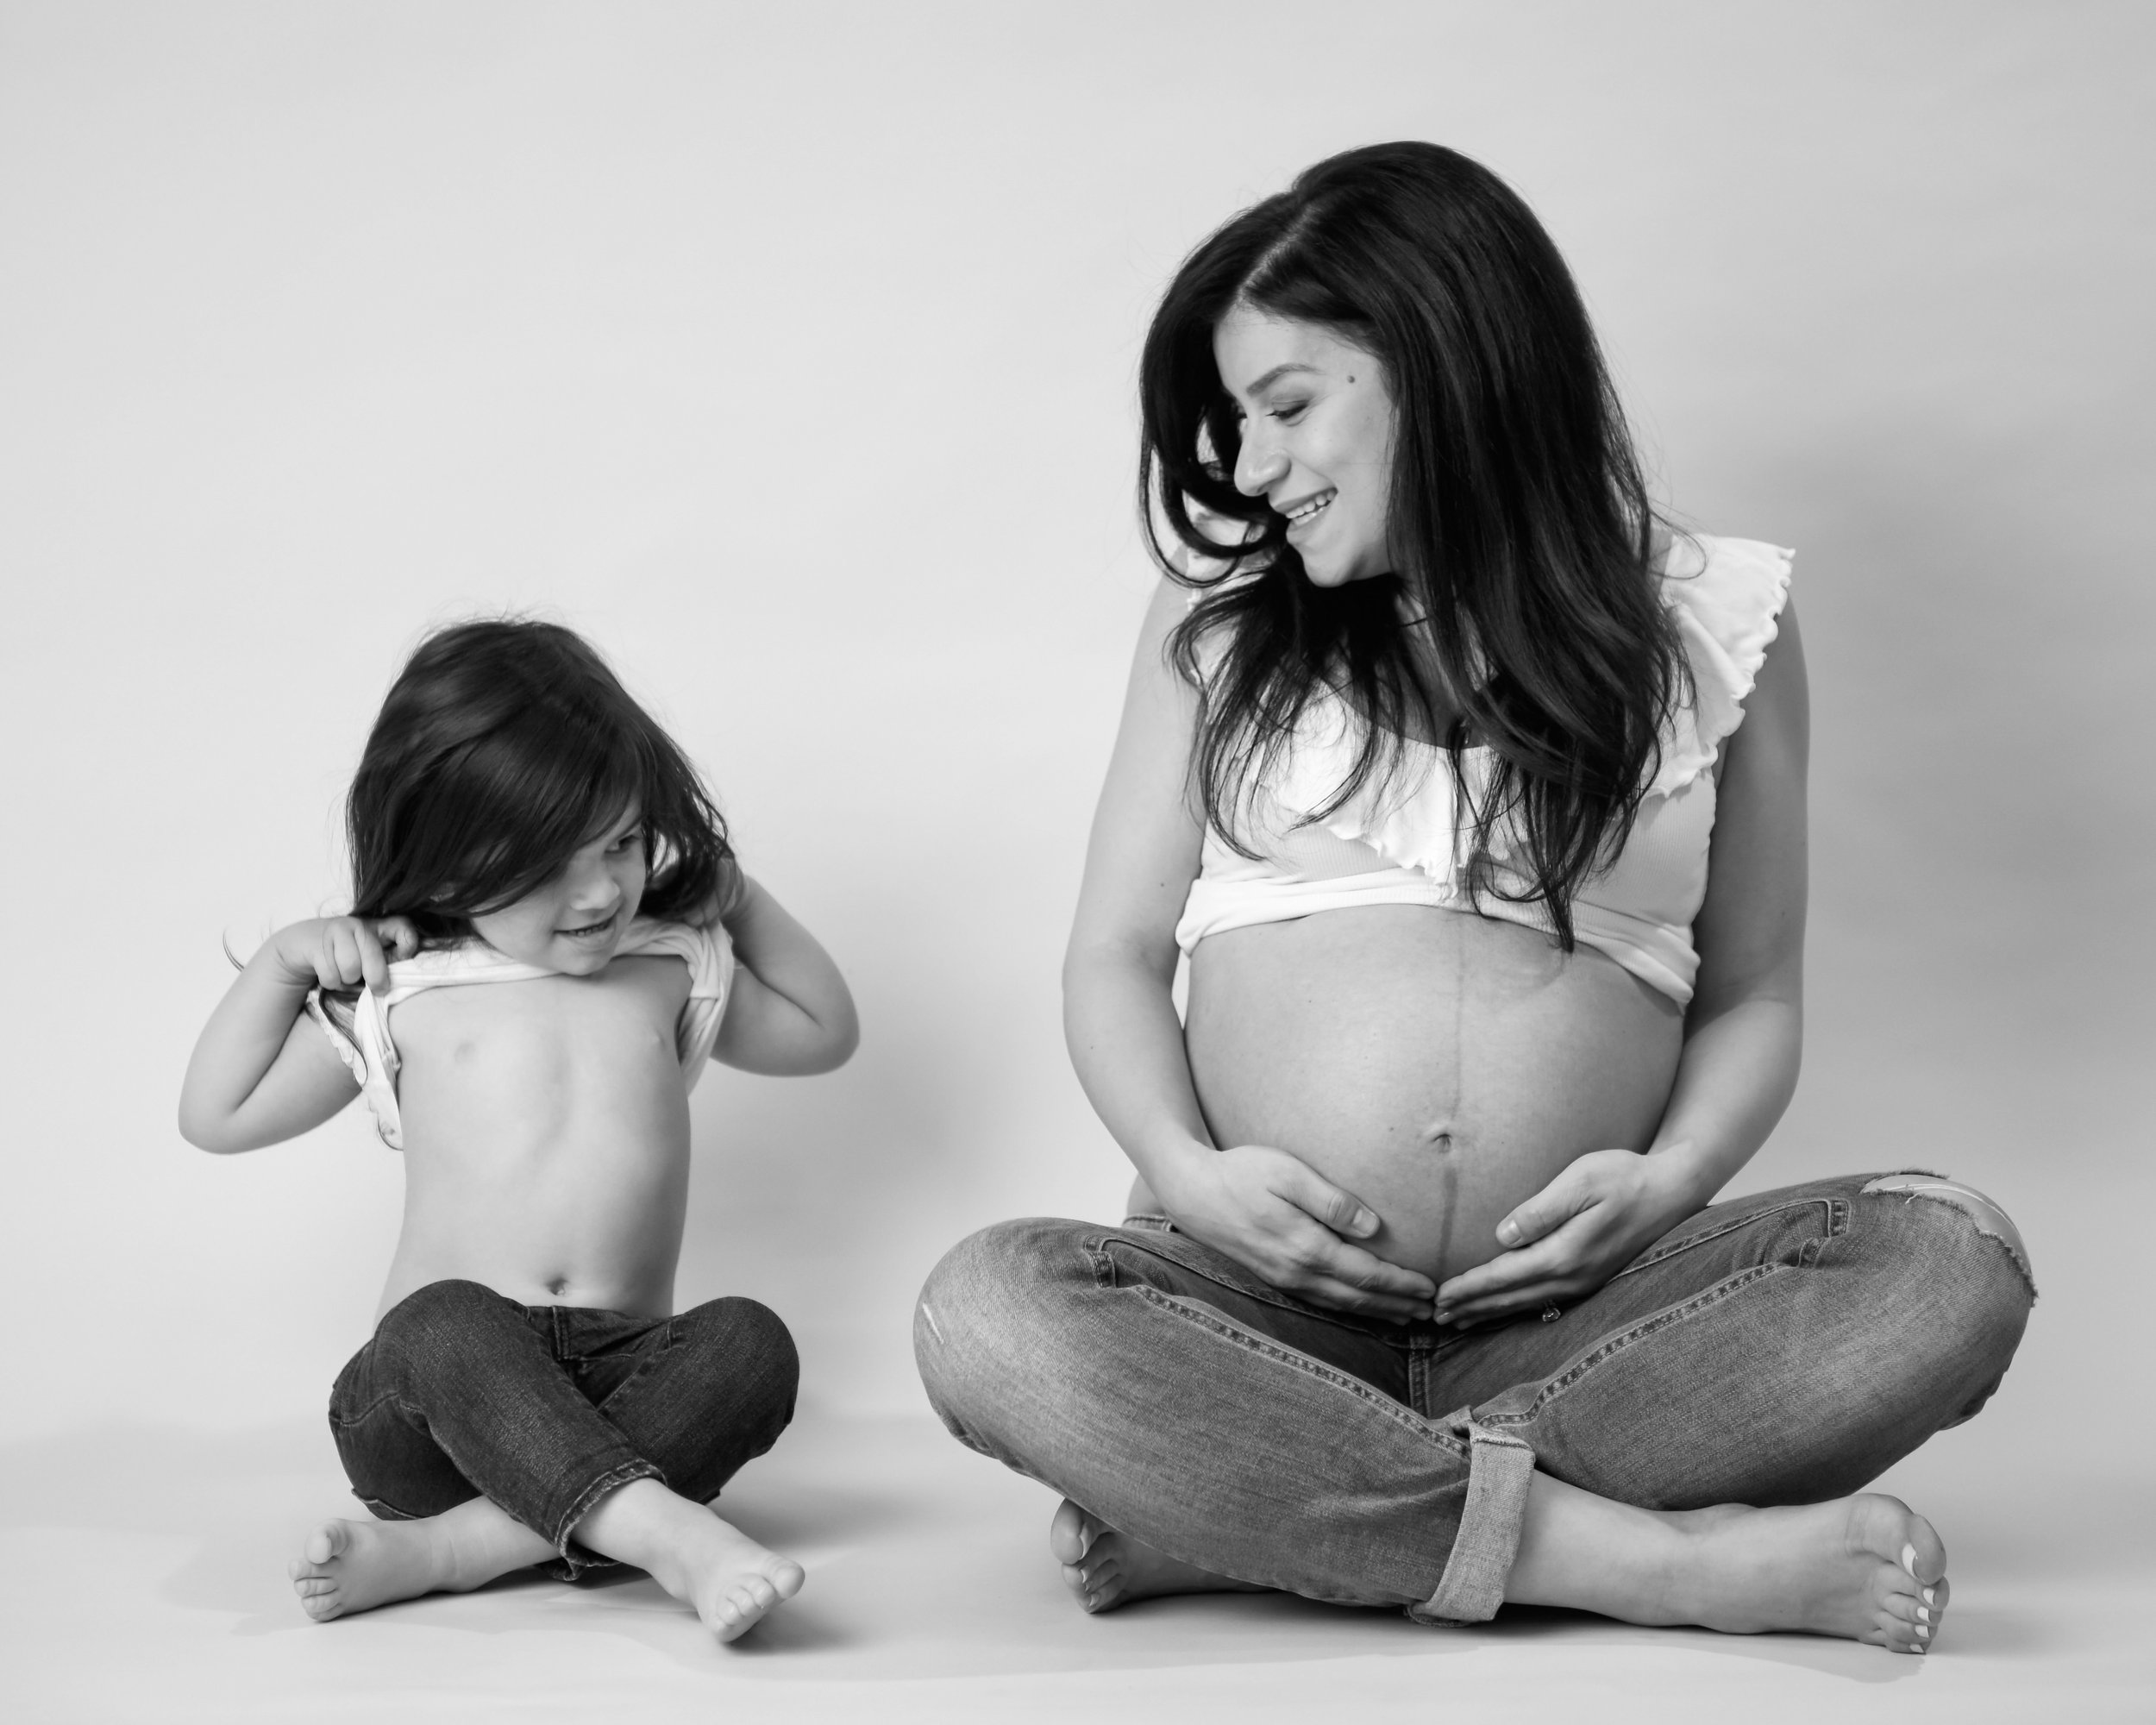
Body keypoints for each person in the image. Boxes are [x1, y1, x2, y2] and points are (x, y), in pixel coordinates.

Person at [914, 142, 2033, 1653]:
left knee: (1951, 1265)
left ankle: (1270, 1507)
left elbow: (1756, 986)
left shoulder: (1717, 624)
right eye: (1237, 421)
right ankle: (1647, 1564)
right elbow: (1111, 957)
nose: (1249, 469)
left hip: (1589, 1323)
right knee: (985, 1310)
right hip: (1257, 1300)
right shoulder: (1220, 631)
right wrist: (1186, 1177)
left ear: (1443, 363)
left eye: (1290, 407)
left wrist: (1674, 1180)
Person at [179, 619, 858, 1640]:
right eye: (547, 865)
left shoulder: (670, 962)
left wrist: (742, 900)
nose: (599, 892)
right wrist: (283, 961)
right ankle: (661, 1527)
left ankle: (460, 1547)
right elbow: (216, 1117)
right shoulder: (402, 985)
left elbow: (824, 1032)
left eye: (623, 843)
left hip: (624, 1371)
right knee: (445, 1316)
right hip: (430, 1404)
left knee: (752, 1344)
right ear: (445, 866)